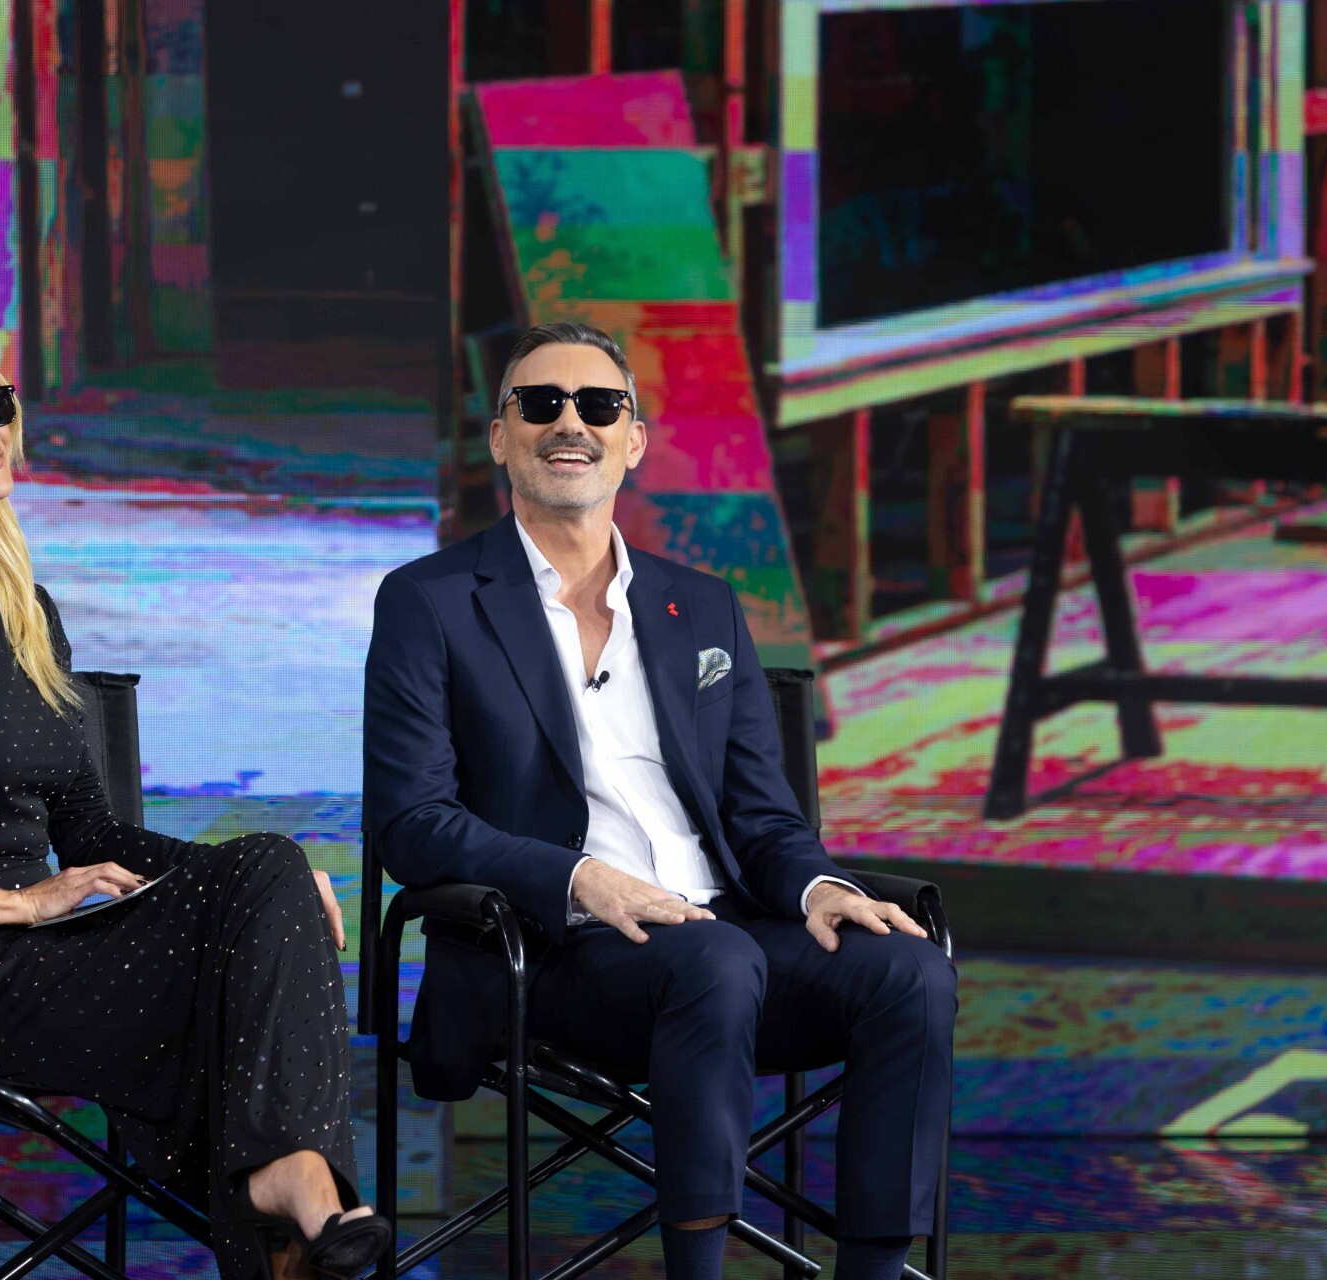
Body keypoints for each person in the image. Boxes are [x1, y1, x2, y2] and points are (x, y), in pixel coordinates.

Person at [363, 322, 957, 1280]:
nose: (572, 423)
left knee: (909, 971)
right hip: (551, 953)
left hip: (724, 934)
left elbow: (762, 814)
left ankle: (876, 1273)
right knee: (715, 960)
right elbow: (412, 823)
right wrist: (581, 879)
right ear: (500, 436)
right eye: (541, 403)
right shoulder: (429, 601)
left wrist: (818, 889)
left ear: (633, 440)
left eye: (600, 406)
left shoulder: (703, 605)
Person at [0, 336, 390, 1280]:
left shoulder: (26, 610)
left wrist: (267, 892)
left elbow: (92, 833)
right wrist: (23, 903)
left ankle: (291, 1189)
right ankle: (289, 1194)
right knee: (246, 953)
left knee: (272, 869)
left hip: (50, 955)